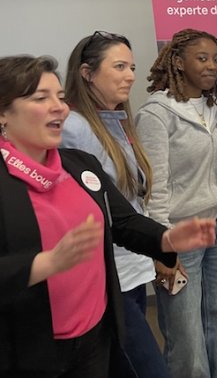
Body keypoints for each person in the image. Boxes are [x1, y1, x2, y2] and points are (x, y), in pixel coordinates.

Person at [0, 55, 216, 377]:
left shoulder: (79, 165)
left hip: (96, 337)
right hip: (30, 351)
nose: (59, 108)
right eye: (41, 98)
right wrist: (45, 264)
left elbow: (124, 222)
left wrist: (167, 239)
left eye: (60, 97)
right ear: (3, 113)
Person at [60, 31, 170, 377]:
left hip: (132, 268)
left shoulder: (116, 120)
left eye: (132, 67)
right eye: (119, 66)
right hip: (107, 275)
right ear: (87, 73)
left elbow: (129, 198)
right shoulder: (73, 128)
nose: (131, 76)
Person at [135, 29, 217, 378]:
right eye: (202, 58)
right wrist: (161, 248)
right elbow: (154, 187)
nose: (213, 66)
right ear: (177, 62)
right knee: (185, 329)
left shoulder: (213, 106)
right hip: (178, 231)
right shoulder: (156, 114)